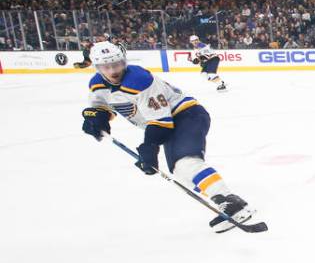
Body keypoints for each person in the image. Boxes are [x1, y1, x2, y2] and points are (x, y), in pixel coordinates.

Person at [80, 41, 263, 232]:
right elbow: (101, 106)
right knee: (180, 171)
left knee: (186, 162)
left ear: (124, 61)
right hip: (167, 122)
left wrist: (149, 147)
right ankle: (223, 201)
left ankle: (232, 202)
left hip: (186, 115)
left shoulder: (139, 80)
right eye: (106, 67)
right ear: (96, 67)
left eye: (116, 64)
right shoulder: (97, 84)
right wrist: (97, 119)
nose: (113, 70)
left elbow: (161, 123)